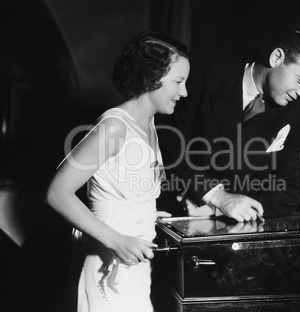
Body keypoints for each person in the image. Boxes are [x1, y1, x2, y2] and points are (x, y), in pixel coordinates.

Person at [46, 31, 190, 312]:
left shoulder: (147, 125)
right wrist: (117, 239)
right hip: (106, 264)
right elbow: (57, 193)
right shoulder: (115, 127)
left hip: (134, 266)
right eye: (179, 82)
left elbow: (120, 190)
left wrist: (145, 214)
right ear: (153, 78)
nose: (184, 92)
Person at [155, 23, 300, 222]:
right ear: (276, 58)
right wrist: (216, 197)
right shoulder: (201, 78)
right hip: (175, 216)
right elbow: (169, 147)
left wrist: (218, 209)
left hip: (241, 232)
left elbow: (291, 190)